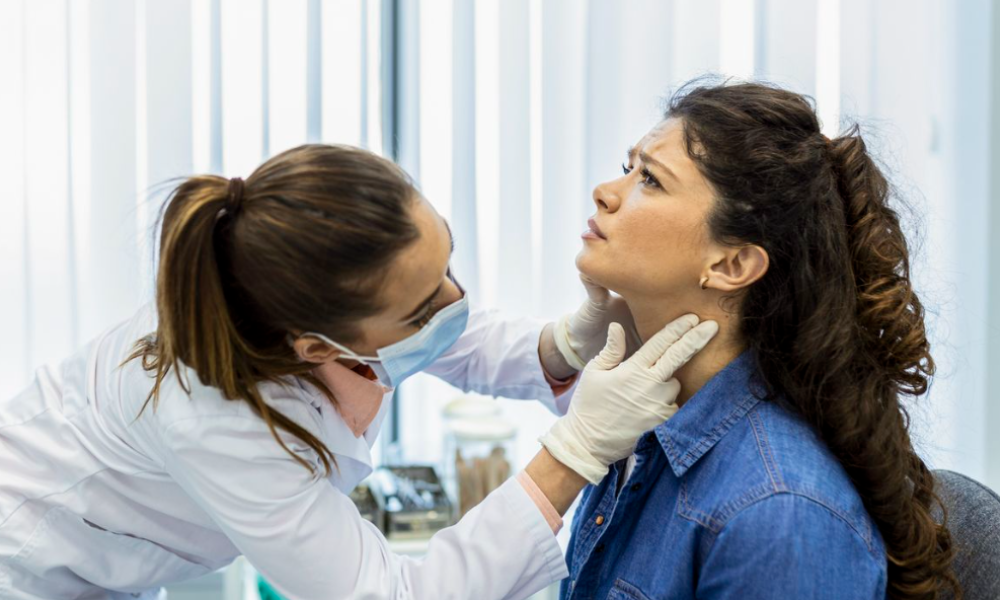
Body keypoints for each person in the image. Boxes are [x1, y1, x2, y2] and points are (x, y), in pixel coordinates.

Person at [0, 144, 717, 600]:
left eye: (448, 268)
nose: (457, 304)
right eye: (425, 305)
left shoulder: (312, 290)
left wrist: (562, 344)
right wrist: (574, 455)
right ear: (315, 347)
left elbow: (448, 339)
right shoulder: (208, 416)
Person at [561, 80, 960, 599]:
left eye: (652, 180)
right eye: (627, 168)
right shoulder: (639, 427)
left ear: (732, 264)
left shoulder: (779, 514)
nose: (606, 193)